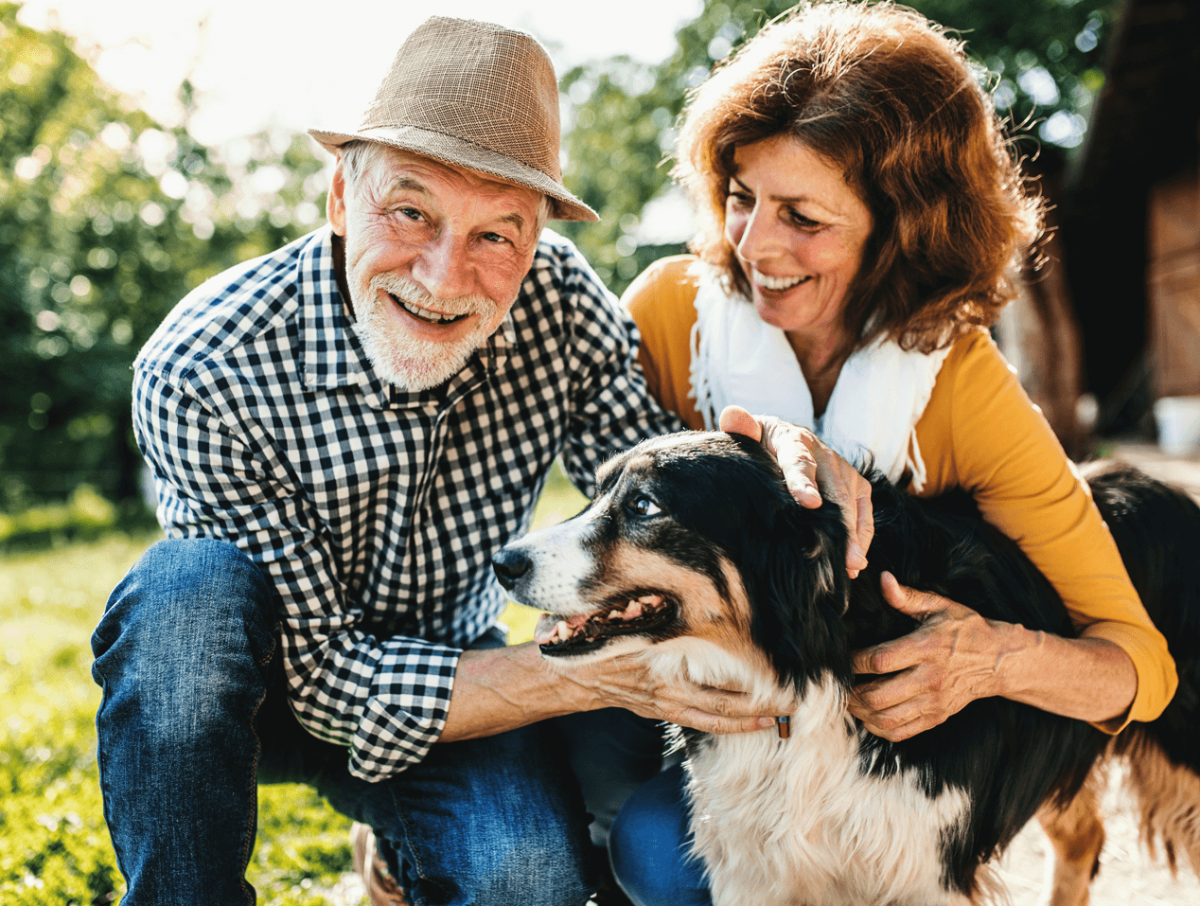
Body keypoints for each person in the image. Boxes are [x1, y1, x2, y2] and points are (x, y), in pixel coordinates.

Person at [89, 16, 868, 906]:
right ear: (341, 199)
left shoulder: (561, 306)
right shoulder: (205, 365)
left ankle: (398, 838)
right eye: (410, 210)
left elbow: (657, 492)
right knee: (186, 598)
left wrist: (779, 461)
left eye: (497, 234)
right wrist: (589, 677)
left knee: (527, 880)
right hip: (256, 689)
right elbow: (327, 683)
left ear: (536, 240)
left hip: (455, 674)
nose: (445, 273)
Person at [605, 2, 1178, 903]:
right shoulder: (668, 314)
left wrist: (989, 659)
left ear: (903, 226)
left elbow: (1139, 669)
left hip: (880, 761)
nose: (757, 245)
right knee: (655, 855)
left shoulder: (966, 391)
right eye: (743, 197)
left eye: (805, 216)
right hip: (710, 727)